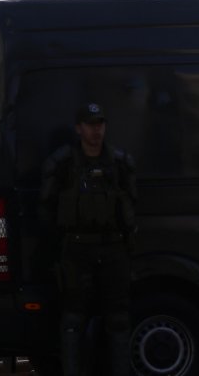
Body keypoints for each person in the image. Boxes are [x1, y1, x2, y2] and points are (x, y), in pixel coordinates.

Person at [38, 102, 137, 376]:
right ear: (78, 128)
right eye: (91, 124)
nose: (96, 130)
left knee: (118, 320)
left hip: (113, 248)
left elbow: (131, 205)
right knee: (72, 321)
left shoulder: (119, 162)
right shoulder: (64, 163)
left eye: (100, 124)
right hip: (77, 250)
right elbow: (46, 208)